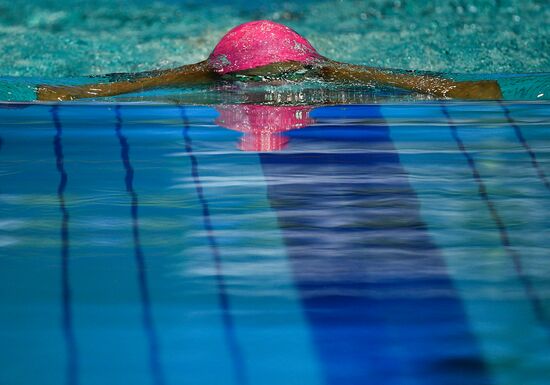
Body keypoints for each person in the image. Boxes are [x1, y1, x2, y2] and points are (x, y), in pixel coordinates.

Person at [36, 20, 502, 101]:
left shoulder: (323, 70)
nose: (272, 93)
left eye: (289, 76)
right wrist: (70, 93)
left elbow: (396, 80)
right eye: (256, 82)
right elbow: (126, 87)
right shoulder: (203, 74)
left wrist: (457, 91)